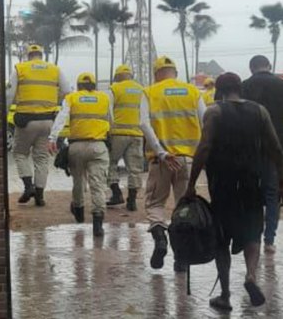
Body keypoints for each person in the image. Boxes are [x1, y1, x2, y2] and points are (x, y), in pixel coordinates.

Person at [185, 73, 283, 311]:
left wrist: (191, 184)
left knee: (222, 239)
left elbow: (205, 147)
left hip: (223, 184)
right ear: (241, 89)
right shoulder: (259, 111)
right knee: (252, 232)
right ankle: (250, 276)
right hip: (252, 181)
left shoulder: (214, 112)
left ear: (218, 91)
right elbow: (275, 147)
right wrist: (281, 180)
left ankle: (226, 294)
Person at [140, 56, 206, 271]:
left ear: (157, 73)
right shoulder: (193, 92)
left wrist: (161, 152)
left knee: (155, 203)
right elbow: (206, 122)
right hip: (188, 161)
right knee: (183, 209)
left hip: (162, 162)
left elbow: (143, 124)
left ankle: (160, 238)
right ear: (175, 72)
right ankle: (182, 259)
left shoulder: (149, 92)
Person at [48, 72, 110, 237]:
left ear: (79, 85)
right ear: (94, 85)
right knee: (98, 184)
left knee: (78, 181)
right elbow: (110, 120)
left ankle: (79, 212)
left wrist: (53, 138)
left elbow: (61, 118)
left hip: (76, 146)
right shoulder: (104, 98)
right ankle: (98, 223)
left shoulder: (72, 98)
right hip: (98, 146)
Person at [8, 44, 69, 206]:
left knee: (20, 153)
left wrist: (6, 111)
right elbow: (67, 90)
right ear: (41, 55)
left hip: (26, 121)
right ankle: (40, 196)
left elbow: (9, 93)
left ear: (28, 56)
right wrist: (54, 101)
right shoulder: (54, 69)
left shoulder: (20, 68)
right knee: (41, 158)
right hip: (48, 120)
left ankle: (29, 187)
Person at [242, 55, 283, 254]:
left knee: (251, 194)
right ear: (269, 66)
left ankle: (253, 237)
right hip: (275, 150)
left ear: (251, 69)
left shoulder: (243, 86)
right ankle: (269, 240)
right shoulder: (280, 85)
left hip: (248, 150)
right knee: (272, 194)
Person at [107, 64, 144, 211]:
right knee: (135, 168)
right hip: (137, 134)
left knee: (110, 163)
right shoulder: (142, 90)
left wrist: (109, 130)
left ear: (117, 77)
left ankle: (116, 193)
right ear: (131, 76)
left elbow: (108, 111)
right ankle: (132, 200)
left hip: (118, 133)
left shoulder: (114, 89)